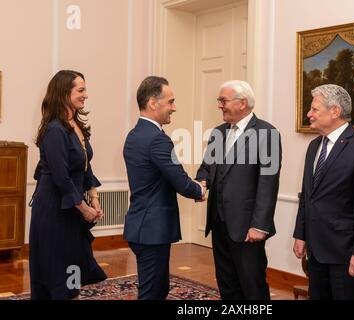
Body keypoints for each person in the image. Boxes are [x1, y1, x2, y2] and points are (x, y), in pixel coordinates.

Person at [292, 84, 354, 300]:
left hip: (348, 252)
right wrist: (301, 234)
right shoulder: (314, 146)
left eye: (314, 109)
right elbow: (307, 196)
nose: (309, 114)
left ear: (335, 111)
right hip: (316, 251)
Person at [196, 80, 282, 300]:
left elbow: (268, 183)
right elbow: (206, 168)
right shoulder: (218, 133)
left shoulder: (267, 133)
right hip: (219, 223)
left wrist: (259, 226)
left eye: (223, 100)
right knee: (227, 284)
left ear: (242, 103)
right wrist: (202, 181)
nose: (219, 105)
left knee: (252, 286)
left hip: (248, 229)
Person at [123, 76, 205, 300]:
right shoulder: (157, 139)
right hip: (152, 229)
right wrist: (200, 190)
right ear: (152, 102)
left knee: (155, 289)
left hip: (141, 225)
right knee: (153, 293)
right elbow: (179, 181)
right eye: (170, 102)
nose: (174, 108)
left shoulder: (134, 135)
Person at [29, 70, 106, 300]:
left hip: (72, 208)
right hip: (54, 210)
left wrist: (94, 199)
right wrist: (85, 210)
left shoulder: (76, 125)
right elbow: (61, 178)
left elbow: (85, 165)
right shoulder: (54, 129)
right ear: (64, 93)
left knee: (72, 271)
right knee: (56, 274)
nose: (86, 95)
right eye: (80, 90)